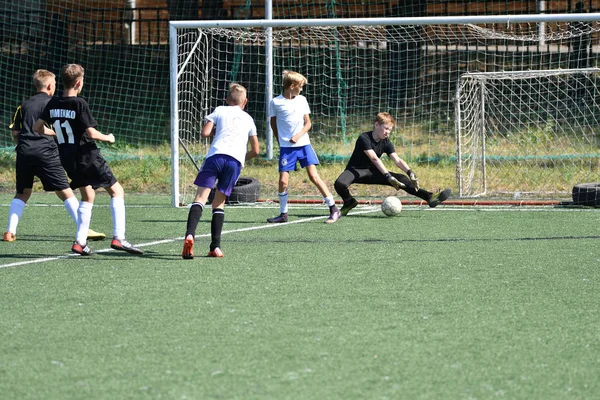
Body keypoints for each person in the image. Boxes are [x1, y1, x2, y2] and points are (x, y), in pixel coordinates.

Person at [34, 64, 142, 256]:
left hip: (67, 158)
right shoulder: (79, 103)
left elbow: (38, 128)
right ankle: (119, 237)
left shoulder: (53, 103)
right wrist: (108, 137)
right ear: (79, 82)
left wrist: (57, 134)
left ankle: (80, 242)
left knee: (88, 196)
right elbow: (91, 133)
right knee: (117, 191)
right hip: (87, 156)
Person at [4, 69, 105, 243]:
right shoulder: (54, 103)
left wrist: (22, 144)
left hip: (24, 151)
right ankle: (84, 228)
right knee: (66, 191)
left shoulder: (24, 104)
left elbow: (15, 131)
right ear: (51, 86)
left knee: (22, 193)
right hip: (46, 152)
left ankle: (9, 231)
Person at [182, 83, 260, 259]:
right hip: (234, 162)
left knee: (200, 198)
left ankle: (189, 235)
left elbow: (205, 133)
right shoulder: (248, 118)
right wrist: (240, 158)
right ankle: (215, 247)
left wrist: (216, 130)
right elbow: (256, 150)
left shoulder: (219, 109)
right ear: (244, 102)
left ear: (226, 100)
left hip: (215, 157)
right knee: (219, 204)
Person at [334, 112, 451, 215]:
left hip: (373, 172)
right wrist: (388, 176)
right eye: (386, 128)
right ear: (376, 125)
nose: (388, 132)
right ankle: (349, 202)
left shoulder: (386, 142)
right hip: (355, 170)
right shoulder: (364, 138)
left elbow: (397, 160)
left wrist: (410, 172)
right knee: (339, 184)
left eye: (390, 130)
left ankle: (429, 197)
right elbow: (374, 158)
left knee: (402, 179)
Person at [266, 70, 340, 224]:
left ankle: (333, 208)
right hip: (287, 149)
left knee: (314, 176)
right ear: (292, 86)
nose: (301, 89)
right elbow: (273, 125)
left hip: (303, 145)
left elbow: (308, 123)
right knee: (283, 182)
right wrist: (281, 142)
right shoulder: (276, 102)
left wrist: (298, 136)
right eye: (300, 86)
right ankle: (283, 214)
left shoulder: (302, 100)